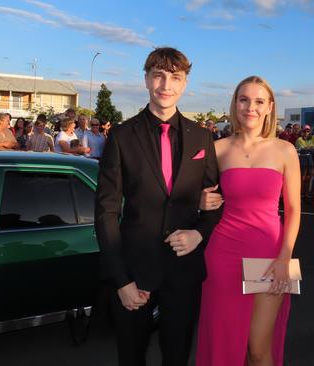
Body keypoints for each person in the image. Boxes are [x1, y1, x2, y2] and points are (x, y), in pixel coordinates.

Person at [95, 47, 221, 366]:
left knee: (177, 357)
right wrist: (121, 280)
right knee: (131, 358)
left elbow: (216, 201)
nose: (166, 85)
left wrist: (199, 233)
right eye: (158, 75)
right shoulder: (122, 137)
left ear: (184, 84)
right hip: (135, 274)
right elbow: (106, 212)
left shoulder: (201, 138)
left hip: (184, 274)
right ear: (146, 80)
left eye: (175, 77)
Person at [196, 75, 301, 366]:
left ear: (269, 107)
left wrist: (285, 257)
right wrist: (200, 201)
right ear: (235, 104)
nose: (250, 107)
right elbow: (193, 196)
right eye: (244, 99)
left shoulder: (285, 150)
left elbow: (294, 211)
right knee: (225, 343)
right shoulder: (218, 149)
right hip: (222, 254)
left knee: (258, 348)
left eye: (258, 101)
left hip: (271, 255)